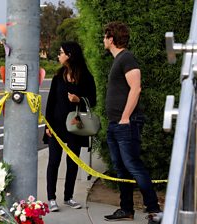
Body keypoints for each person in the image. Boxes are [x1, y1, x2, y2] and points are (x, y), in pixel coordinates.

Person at [102, 21, 162, 224]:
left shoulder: (126, 58)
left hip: (126, 123)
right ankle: (126, 209)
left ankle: (154, 210)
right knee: (121, 169)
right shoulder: (118, 59)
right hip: (115, 124)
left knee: (133, 166)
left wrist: (126, 117)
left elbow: (136, 88)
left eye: (105, 36)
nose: (103, 40)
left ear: (111, 39)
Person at [43, 41, 96, 212]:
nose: (59, 55)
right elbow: (50, 103)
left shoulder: (86, 77)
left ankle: (68, 197)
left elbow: (93, 101)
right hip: (56, 126)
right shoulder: (58, 77)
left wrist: (79, 100)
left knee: (72, 162)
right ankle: (51, 198)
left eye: (61, 52)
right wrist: (47, 126)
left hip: (76, 126)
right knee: (54, 162)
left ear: (70, 55)